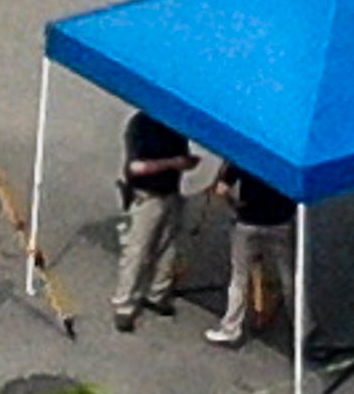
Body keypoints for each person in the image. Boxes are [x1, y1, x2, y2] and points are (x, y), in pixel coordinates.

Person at [111, 109, 200, 333]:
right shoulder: (141, 125)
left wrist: (186, 163)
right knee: (137, 250)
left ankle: (157, 293)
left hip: (171, 192)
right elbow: (136, 167)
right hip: (146, 195)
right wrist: (174, 163)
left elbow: (182, 158)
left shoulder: (175, 124)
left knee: (168, 247)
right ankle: (124, 304)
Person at [206, 161, 296, 348]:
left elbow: (221, 190)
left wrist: (235, 206)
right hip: (281, 221)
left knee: (239, 276)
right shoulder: (287, 159)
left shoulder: (245, 155)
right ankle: (302, 325)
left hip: (248, 221)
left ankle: (231, 329)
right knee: (290, 276)